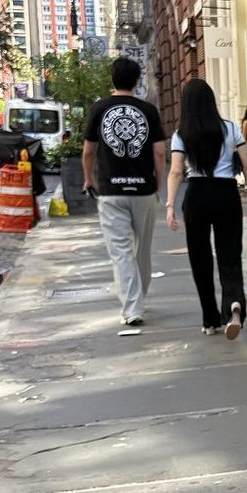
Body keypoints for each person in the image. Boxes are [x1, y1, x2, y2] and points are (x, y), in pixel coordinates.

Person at [165, 79, 247, 338]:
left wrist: (170, 206)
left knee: (200, 258)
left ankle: (210, 320)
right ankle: (234, 305)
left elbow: (175, 172)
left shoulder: (181, 134)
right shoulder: (230, 129)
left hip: (196, 195)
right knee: (230, 254)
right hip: (226, 194)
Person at [83, 57, 167, 329]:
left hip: (111, 190)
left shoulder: (100, 108)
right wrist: (159, 183)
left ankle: (132, 307)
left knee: (121, 251)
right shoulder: (148, 110)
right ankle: (138, 297)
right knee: (142, 249)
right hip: (143, 190)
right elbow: (158, 151)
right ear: (137, 80)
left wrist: (88, 179)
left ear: (112, 78)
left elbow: (88, 151)